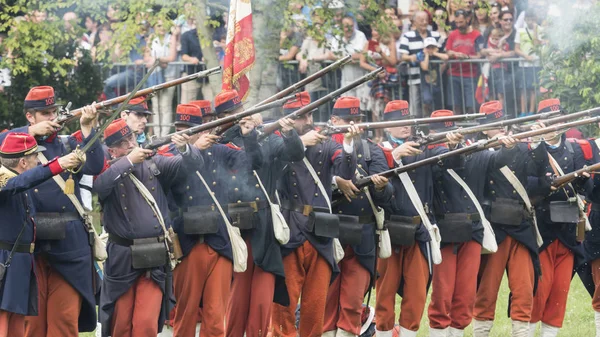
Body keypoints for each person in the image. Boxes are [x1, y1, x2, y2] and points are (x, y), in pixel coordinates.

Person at [0, 86, 104, 337]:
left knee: (65, 321)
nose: (51, 117)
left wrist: (88, 127)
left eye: (53, 112)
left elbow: (96, 165)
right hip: (30, 249)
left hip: (69, 246)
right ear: (30, 117)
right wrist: (29, 133)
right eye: (44, 113)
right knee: (31, 327)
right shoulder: (13, 142)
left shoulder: (70, 143)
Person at [95, 118, 201, 337]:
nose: (131, 145)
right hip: (122, 258)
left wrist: (184, 147)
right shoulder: (108, 169)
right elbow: (101, 185)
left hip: (154, 256)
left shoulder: (154, 163)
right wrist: (128, 161)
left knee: (145, 325)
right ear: (112, 150)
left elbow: (191, 165)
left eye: (131, 138)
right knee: (121, 325)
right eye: (123, 143)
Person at [165, 102, 258, 337]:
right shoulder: (169, 155)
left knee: (216, 317)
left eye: (191, 127)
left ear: (203, 128)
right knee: (185, 314)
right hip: (189, 242)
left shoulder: (219, 150)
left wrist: (249, 136)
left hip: (219, 240)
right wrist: (192, 148)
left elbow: (251, 163)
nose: (185, 131)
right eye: (181, 127)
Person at [271, 94, 359, 337]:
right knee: (284, 304)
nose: (308, 120)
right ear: (288, 119)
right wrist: (298, 140)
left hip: (320, 231)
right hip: (291, 228)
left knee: (315, 304)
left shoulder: (327, 142)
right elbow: (277, 156)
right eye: (302, 116)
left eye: (309, 114)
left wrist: (349, 143)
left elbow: (345, 169)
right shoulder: (277, 140)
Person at [374, 100, 463, 337]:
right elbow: (374, 184)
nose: (406, 127)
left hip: (419, 229)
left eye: (408, 121)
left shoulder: (428, 147)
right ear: (387, 126)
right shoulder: (378, 150)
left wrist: (454, 145)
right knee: (384, 293)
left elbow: (451, 161)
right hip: (390, 231)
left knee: (416, 294)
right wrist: (394, 155)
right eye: (399, 122)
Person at [427, 108, 519, 337]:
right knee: (442, 294)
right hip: (446, 232)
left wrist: (508, 147)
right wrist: (451, 148)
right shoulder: (425, 157)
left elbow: (498, 159)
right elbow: (449, 163)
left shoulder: (477, 151)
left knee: (466, 296)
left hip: (473, 230)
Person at [224, 92, 305, 337]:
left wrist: (289, 131)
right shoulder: (220, 142)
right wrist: (246, 133)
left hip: (263, 228)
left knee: (261, 300)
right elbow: (250, 160)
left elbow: (295, 154)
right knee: (236, 301)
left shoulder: (266, 138)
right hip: (231, 229)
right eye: (232, 113)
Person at [473, 101, 549, 337]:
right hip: (495, 229)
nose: (503, 125)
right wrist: (505, 149)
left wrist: (537, 140)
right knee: (486, 293)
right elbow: (493, 164)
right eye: (496, 123)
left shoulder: (520, 146)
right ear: (485, 129)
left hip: (521, 226)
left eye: (503, 120)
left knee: (524, 291)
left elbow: (539, 169)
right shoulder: (478, 151)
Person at [0, 132, 82, 337]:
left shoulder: (17, 180)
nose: (38, 160)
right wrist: (57, 164)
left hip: (19, 262)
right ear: (22, 162)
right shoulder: (5, 180)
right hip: (5, 261)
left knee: (16, 327)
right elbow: (24, 181)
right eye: (34, 157)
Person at [322, 96, 392, 337]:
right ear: (334, 121)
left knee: (352, 304)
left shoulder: (372, 150)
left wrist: (381, 186)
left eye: (356, 120)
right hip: (329, 234)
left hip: (362, 234)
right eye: (347, 120)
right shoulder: (322, 147)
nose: (353, 124)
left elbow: (386, 196)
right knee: (326, 303)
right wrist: (336, 183)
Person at [527, 99, 591, 337]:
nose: (556, 124)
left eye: (560, 119)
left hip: (568, 230)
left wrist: (583, 179)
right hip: (541, 229)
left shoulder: (573, 149)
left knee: (559, 293)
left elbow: (587, 189)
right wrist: (548, 185)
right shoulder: (531, 149)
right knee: (539, 290)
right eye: (551, 120)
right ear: (540, 122)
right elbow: (527, 185)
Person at [397, 11, 442, 118]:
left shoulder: (435, 35)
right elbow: (402, 56)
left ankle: (432, 126)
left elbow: (443, 52)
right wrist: (413, 57)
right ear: (414, 22)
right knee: (415, 104)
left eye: (426, 19)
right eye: (421, 20)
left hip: (433, 78)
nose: (424, 22)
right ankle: (415, 128)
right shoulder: (407, 36)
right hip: (415, 77)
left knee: (432, 103)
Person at [360, 25, 397, 140]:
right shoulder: (368, 43)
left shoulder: (389, 42)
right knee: (375, 106)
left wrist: (381, 52)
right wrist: (375, 71)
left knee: (385, 106)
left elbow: (393, 61)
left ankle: (388, 136)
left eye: (377, 29)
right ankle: (378, 135)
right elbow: (362, 62)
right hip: (374, 78)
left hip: (387, 78)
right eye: (374, 30)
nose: (375, 32)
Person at [444, 9, 484, 115]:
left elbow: (481, 55)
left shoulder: (477, 35)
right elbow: (447, 52)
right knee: (455, 103)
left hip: (470, 74)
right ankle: (457, 126)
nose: (458, 25)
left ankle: (471, 126)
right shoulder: (453, 35)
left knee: (471, 104)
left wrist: (467, 57)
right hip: (453, 73)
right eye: (456, 22)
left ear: (467, 19)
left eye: (461, 22)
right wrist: (454, 54)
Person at [146, 19, 179, 137]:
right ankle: (156, 135)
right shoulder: (151, 38)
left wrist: (157, 60)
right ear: (155, 26)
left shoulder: (171, 38)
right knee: (155, 106)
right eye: (159, 25)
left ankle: (164, 136)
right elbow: (146, 57)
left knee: (166, 105)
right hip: (154, 75)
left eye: (164, 25)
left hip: (169, 75)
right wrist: (158, 61)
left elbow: (172, 57)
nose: (162, 28)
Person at [329, 16, 369, 112]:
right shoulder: (337, 37)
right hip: (346, 80)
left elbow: (363, 54)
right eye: (346, 26)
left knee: (360, 109)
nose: (349, 29)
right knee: (347, 108)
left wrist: (343, 58)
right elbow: (331, 54)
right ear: (342, 27)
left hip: (361, 79)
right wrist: (348, 58)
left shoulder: (360, 35)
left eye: (351, 26)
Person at [514, 10, 542, 116]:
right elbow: (516, 48)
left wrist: (535, 30)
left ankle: (531, 111)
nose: (530, 22)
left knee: (533, 89)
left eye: (532, 19)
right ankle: (523, 112)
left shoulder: (540, 30)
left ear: (536, 19)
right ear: (525, 19)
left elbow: (536, 44)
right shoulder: (520, 31)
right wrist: (526, 56)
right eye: (528, 19)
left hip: (536, 64)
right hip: (524, 64)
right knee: (523, 89)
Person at [180, 26, 213, 103]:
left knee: (211, 104)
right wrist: (191, 59)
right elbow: (183, 56)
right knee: (187, 104)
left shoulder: (212, 34)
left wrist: (208, 58)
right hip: (191, 74)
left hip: (209, 76)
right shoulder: (187, 35)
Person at [419, 37, 449, 114]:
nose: (430, 49)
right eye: (428, 47)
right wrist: (427, 55)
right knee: (427, 100)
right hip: (426, 84)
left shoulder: (437, 55)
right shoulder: (420, 55)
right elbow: (425, 67)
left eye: (432, 47)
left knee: (438, 103)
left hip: (437, 83)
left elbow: (446, 57)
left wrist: (434, 53)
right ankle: (427, 117)